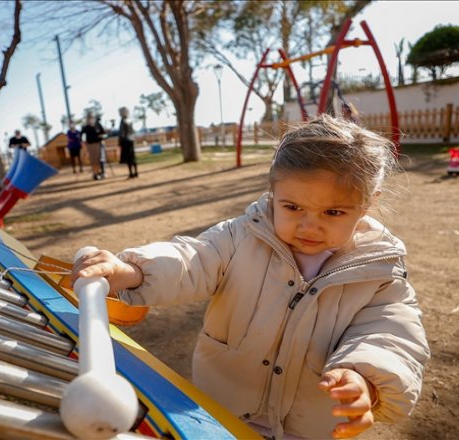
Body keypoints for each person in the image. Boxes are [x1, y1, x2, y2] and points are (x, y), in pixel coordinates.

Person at [73, 115, 429, 440]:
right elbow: (194, 258)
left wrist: (366, 377)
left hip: (308, 427)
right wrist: (134, 271)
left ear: (367, 204)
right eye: (293, 207)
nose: (309, 226)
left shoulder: (378, 270)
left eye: (333, 212)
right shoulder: (241, 236)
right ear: (274, 193)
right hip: (217, 414)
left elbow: (390, 332)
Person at [81, 113, 106, 180]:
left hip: (98, 144)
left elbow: (103, 133)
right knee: (93, 160)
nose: (91, 119)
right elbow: (82, 135)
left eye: (92, 117)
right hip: (90, 145)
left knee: (99, 159)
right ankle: (95, 173)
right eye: (89, 117)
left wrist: (102, 137)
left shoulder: (98, 125)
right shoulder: (85, 127)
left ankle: (101, 172)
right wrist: (83, 142)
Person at [118, 106, 138, 179]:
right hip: (131, 140)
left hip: (126, 141)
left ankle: (131, 173)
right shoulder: (130, 120)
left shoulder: (123, 121)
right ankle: (135, 172)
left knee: (129, 158)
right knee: (132, 157)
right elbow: (132, 131)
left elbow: (121, 133)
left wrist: (120, 142)